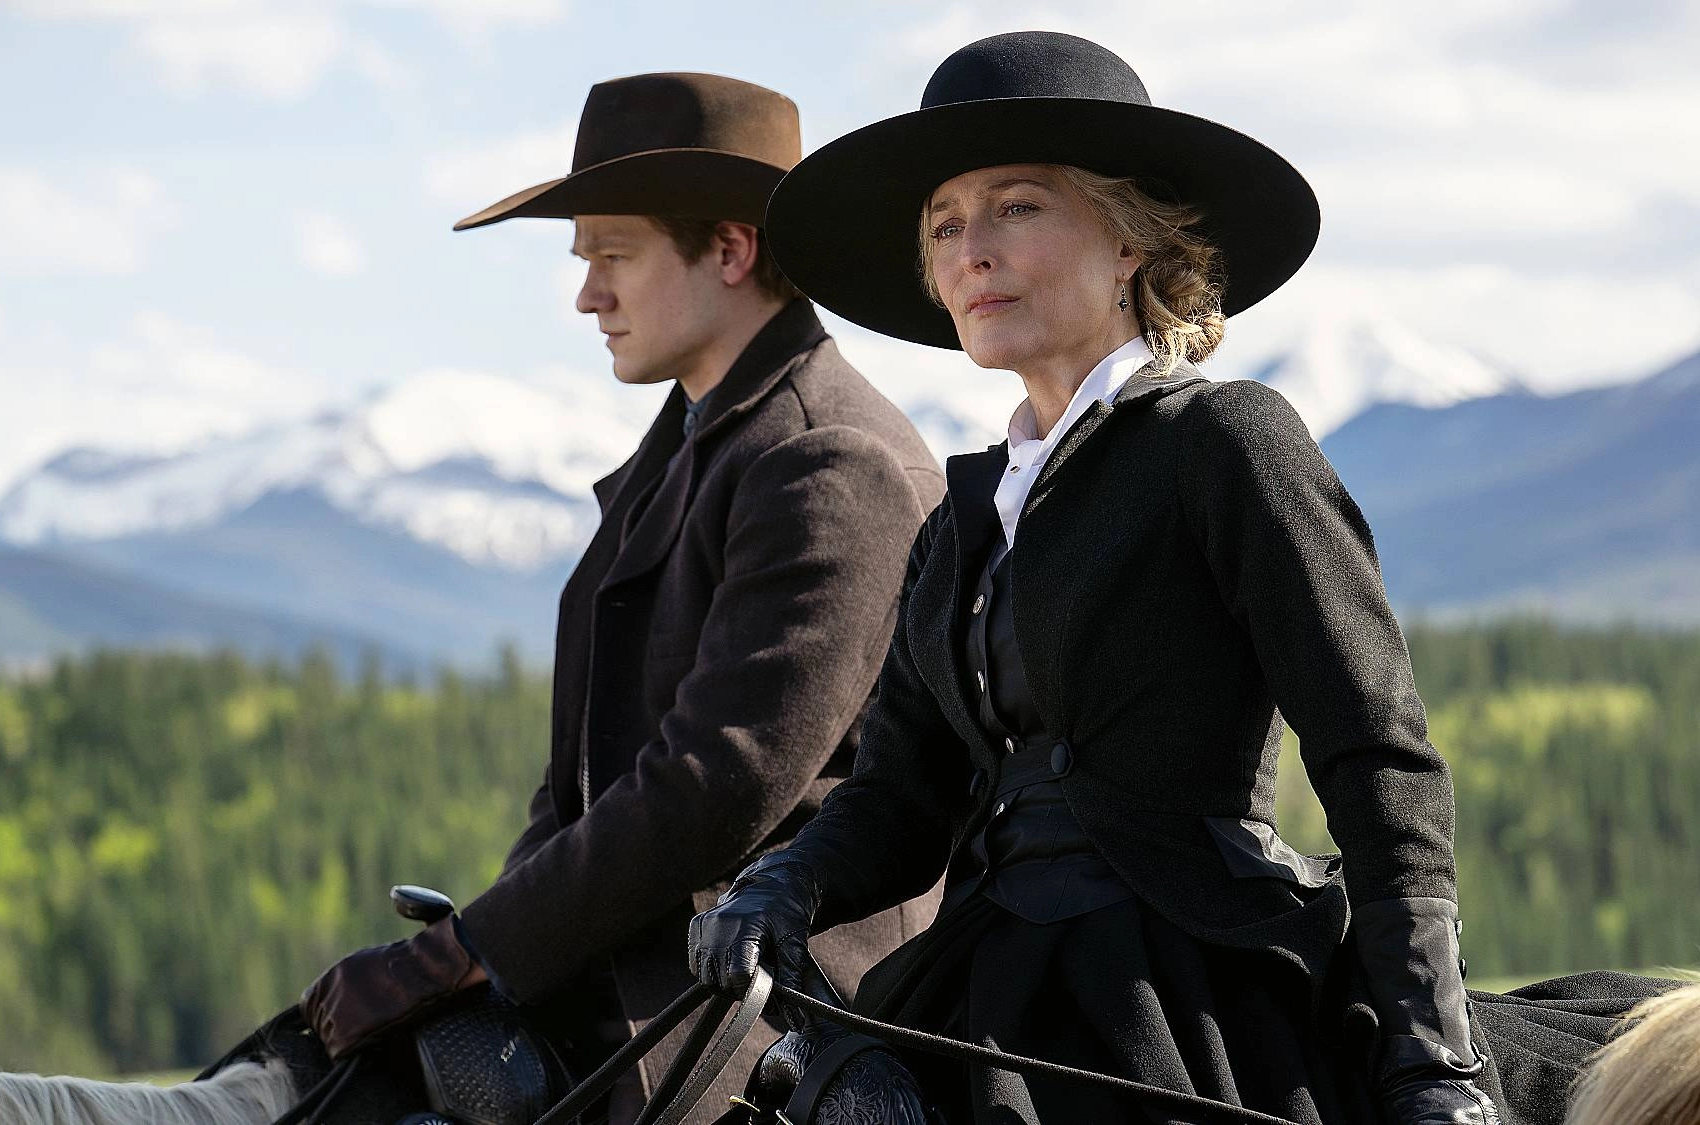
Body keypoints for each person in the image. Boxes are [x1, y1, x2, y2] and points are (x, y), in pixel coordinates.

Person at [689, 32, 1498, 1125]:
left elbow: (1375, 750)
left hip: (1186, 992)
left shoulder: (1225, 441)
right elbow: (901, 799)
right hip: (982, 980)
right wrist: (788, 880)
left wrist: (1430, 1054)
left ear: (1129, 243)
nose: (972, 251)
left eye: (1016, 208)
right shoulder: (958, 526)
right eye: (944, 226)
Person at [296, 71, 945, 1121]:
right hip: (638, 1000)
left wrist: (458, 953)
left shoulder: (829, 460)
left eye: (613, 255)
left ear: (729, 250)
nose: (587, 295)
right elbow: (579, 786)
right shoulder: (696, 445)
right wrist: (477, 951)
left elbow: (713, 784)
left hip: (765, 1039)